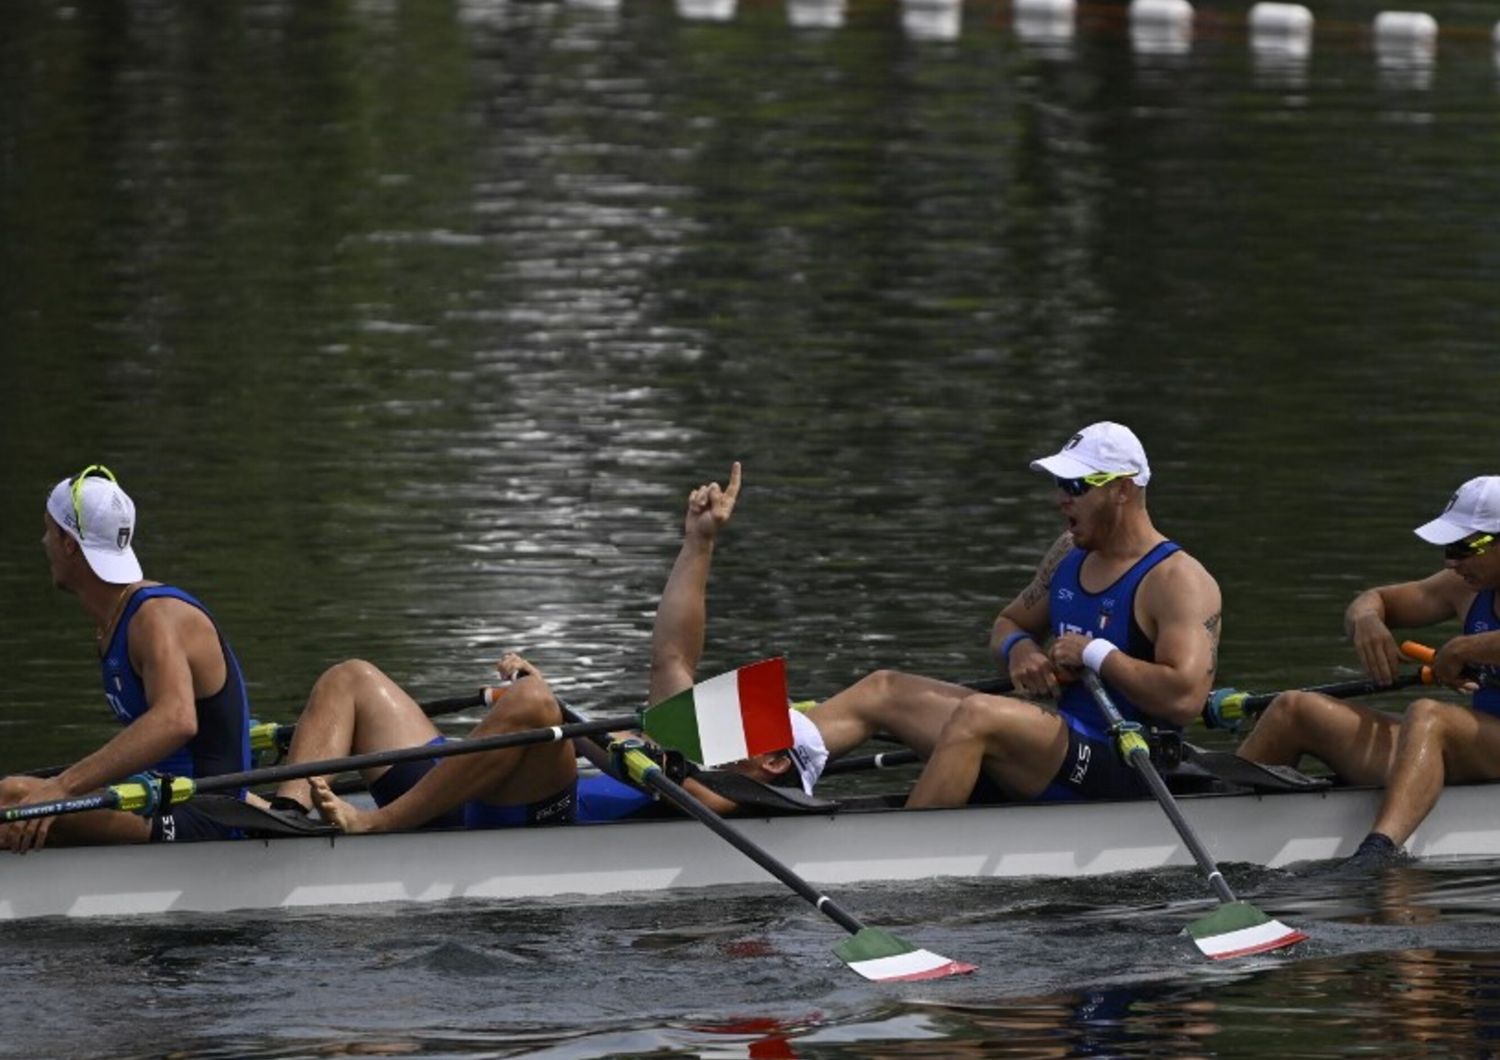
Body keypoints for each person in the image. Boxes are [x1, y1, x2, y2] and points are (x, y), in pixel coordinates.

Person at [905, 421, 1223, 807]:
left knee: (978, 714)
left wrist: (1094, 654)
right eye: (1059, 484)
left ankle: (886, 859)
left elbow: (1185, 698)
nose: (1060, 499)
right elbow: (1009, 623)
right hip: (1067, 744)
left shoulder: (1178, 579)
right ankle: (808, 766)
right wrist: (1021, 650)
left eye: (1076, 486)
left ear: (1122, 489)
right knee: (885, 689)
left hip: (1131, 764)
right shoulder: (1067, 553)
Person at [1236, 475, 1500, 865]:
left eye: (1464, 548)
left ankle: (1377, 856)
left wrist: (1464, 646)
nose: (1452, 562)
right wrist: (1366, 619)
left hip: (1473, 740)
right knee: (1293, 709)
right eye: (1448, 548)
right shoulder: (1464, 587)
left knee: (1429, 715)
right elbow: (1376, 599)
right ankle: (1209, 825)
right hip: (1479, 743)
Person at [0, 465, 253, 852]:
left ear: (70, 544)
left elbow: (175, 720)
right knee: (14, 794)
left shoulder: (155, 617)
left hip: (209, 817)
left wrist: (61, 788)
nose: (43, 542)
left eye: (49, 531)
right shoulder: (115, 619)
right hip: (162, 799)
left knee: (10, 800)